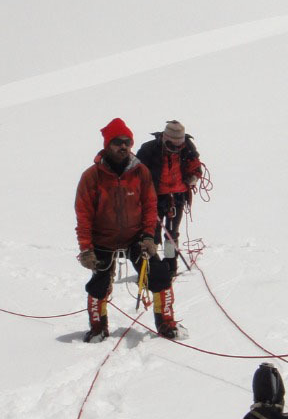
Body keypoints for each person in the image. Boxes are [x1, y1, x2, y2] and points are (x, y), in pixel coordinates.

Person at [75, 118, 180, 341]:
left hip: (136, 238)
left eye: (127, 142)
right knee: (98, 285)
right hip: (103, 239)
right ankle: (97, 327)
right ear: (107, 145)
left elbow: (150, 206)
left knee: (160, 275)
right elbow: (83, 215)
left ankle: (166, 323)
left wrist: (148, 236)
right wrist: (86, 249)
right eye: (117, 142)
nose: (123, 146)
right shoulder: (91, 177)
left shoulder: (140, 172)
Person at [134, 120, 202, 275]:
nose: (177, 149)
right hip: (153, 198)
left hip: (177, 197)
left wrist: (194, 177)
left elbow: (196, 166)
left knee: (172, 234)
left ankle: (171, 266)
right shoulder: (149, 149)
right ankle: (154, 265)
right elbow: (136, 173)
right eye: (173, 145)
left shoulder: (188, 148)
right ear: (165, 138)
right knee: (152, 233)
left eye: (180, 145)